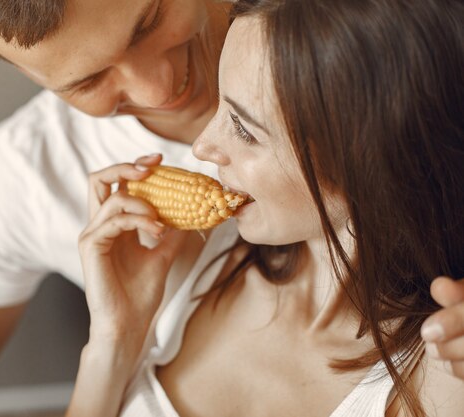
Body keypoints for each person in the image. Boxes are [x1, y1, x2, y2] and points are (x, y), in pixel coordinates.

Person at [0, 0, 463, 416]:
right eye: (87, 82)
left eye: (147, 21)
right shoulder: (40, 175)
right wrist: (114, 342)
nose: (162, 92)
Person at [73, 0, 464, 416]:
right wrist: (112, 342)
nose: (202, 146)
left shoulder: (444, 371)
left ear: (368, 164)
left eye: (243, 128)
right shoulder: (187, 253)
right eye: (220, 103)